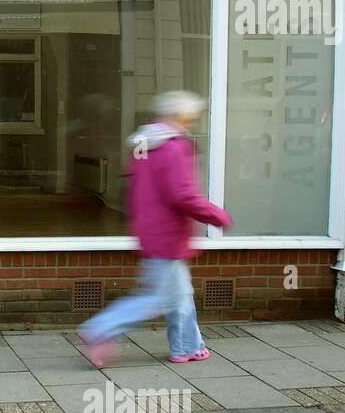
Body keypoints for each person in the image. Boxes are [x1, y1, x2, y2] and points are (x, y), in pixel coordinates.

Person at [76, 90, 232, 368]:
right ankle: (98, 330)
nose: (193, 121)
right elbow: (182, 195)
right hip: (168, 235)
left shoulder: (144, 147)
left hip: (152, 231)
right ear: (182, 116)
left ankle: (188, 347)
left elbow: (136, 191)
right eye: (192, 116)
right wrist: (216, 215)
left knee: (180, 294)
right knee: (156, 297)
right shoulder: (173, 147)